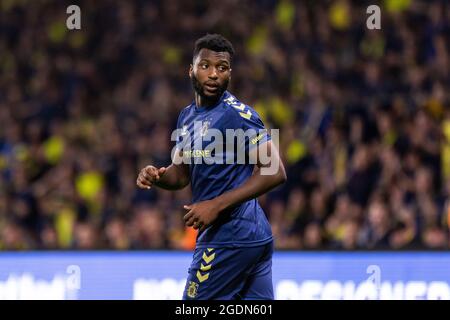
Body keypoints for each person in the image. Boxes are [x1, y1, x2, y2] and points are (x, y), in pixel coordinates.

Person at [136, 34, 286, 300]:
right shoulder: (187, 116)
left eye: (222, 68)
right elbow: (181, 174)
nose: (214, 74)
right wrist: (157, 176)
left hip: (230, 236)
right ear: (190, 70)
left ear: (230, 73)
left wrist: (214, 206)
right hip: (248, 238)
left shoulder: (237, 115)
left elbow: (275, 171)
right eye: (205, 66)